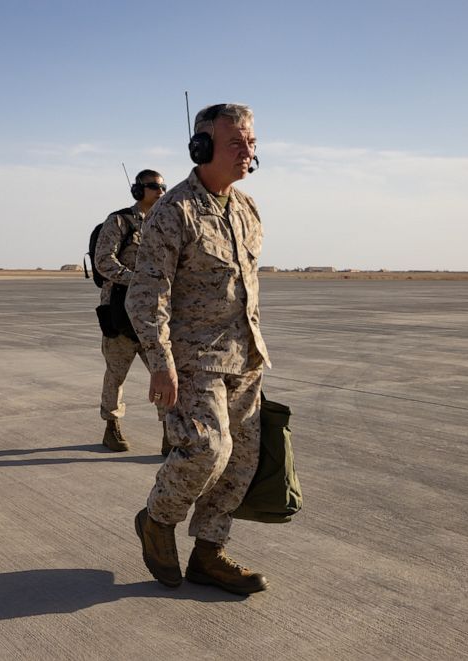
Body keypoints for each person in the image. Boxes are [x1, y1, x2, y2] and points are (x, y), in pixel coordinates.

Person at [126, 104, 271, 595]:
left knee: (241, 462)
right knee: (208, 449)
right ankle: (157, 520)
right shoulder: (175, 211)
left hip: (245, 357)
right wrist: (160, 363)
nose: (248, 152)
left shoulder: (248, 210)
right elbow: (147, 293)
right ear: (202, 147)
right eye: (236, 143)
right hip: (194, 360)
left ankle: (209, 554)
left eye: (251, 142)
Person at [93, 170, 169, 453]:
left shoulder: (166, 224)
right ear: (138, 190)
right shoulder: (119, 221)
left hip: (156, 314)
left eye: (163, 186)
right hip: (120, 311)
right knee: (116, 373)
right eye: (153, 187)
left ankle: (168, 430)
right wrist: (138, 278)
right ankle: (111, 428)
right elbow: (103, 261)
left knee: (163, 371)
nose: (160, 191)